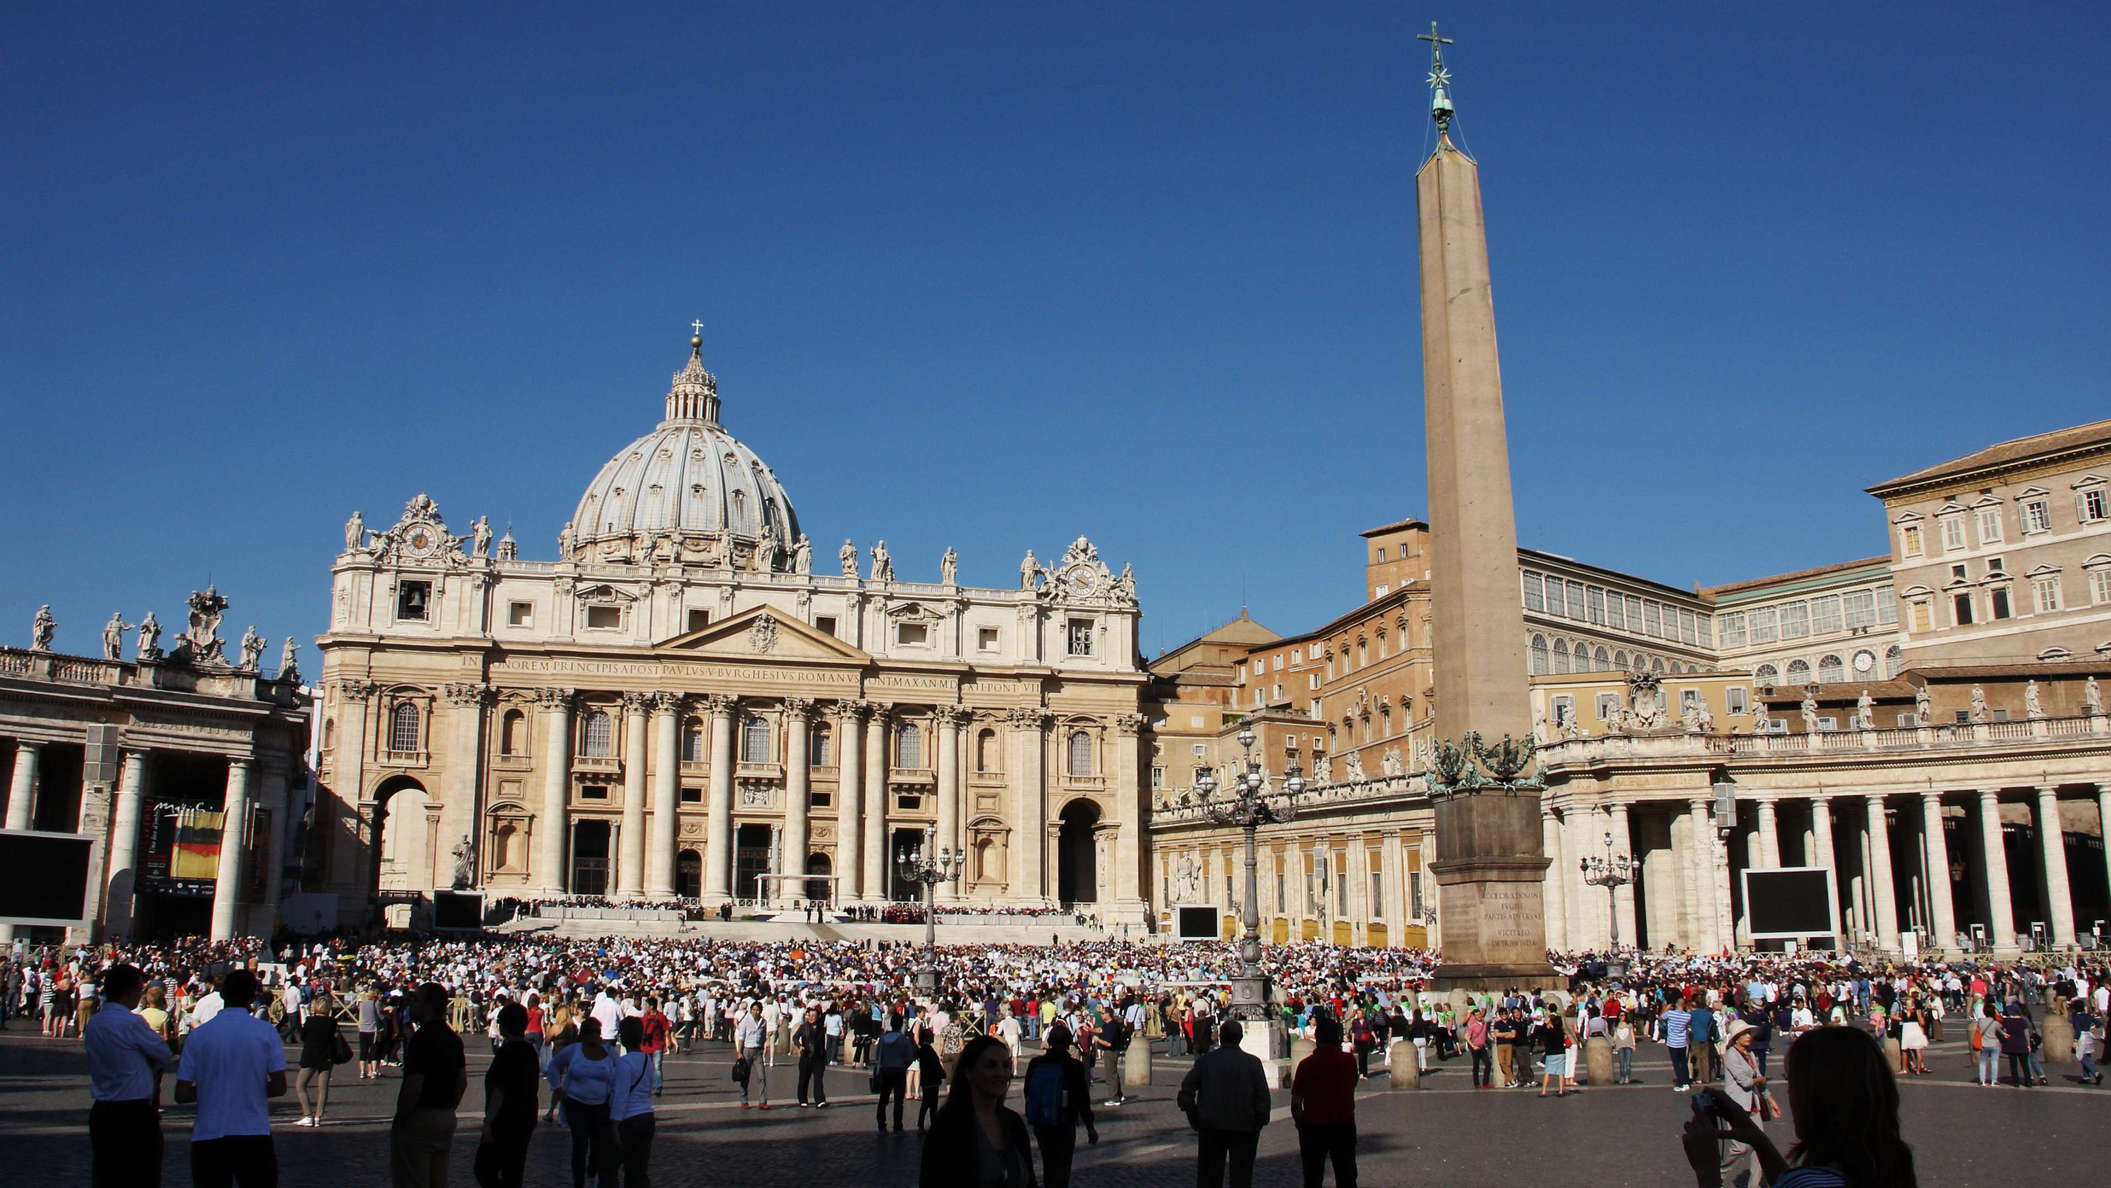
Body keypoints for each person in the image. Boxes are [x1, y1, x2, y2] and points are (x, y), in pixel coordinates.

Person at [1682, 1026, 1918, 1188]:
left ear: (1815, 1100)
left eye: (1793, 1083)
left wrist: (1708, 1177)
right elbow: (1790, 1182)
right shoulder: (1893, 1161)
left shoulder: (1814, 1181)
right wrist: (1760, 1142)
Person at [174, 969, 286, 1188]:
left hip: (208, 1134)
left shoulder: (198, 1036)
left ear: (222, 995)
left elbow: (182, 1093)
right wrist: (247, 1087)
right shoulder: (266, 1032)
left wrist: (212, 1088)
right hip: (253, 1133)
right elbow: (279, 1087)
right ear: (253, 997)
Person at [86, 963, 174, 1188]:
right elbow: (164, 1053)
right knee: (142, 1173)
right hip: (134, 1111)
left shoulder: (95, 1022)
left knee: (106, 1173)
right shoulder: (131, 1022)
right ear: (129, 991)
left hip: (103, 1108)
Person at [918, 1034, 1037, 1188]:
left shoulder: (1014, 1122)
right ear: (968, 1072)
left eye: (1005, 1065)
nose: (1001, 1073)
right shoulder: (946, 1127)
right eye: (991, 1065)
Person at [1177, 1020, 1271, 1188]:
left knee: (1209, 1177)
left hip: (1211, 1125)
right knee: (1241, 1177)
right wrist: (1259, 1121)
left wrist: (1194, 1116)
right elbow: (1263, 1097)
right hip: (1244, 1126)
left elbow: (1187, 1089)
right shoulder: (1252, 1063)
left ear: (1220, 1036)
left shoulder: (1207, 1061)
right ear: (1241, 1038)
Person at [393, 982, 466, 1188]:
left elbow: (415, 1083)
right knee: (438, 1180)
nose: (411, 1005)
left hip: (421, 1115)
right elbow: (462, 1081)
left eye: (415, 1000)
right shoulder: (453, 1038)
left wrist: (402, 1117)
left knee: (413, 1179)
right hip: (446, 1116)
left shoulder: (422, 1038)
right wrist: (449, 1108)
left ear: (428, 1005)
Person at [1022, 1023, 1098, 1188]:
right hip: (1065, 1120)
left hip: (1041, 1120)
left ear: (1049, 1041)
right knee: (1062, 1165)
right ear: (1069, 1043)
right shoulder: (1074, 1066)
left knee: (1048, 1161)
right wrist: (1090, 1126)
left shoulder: (1036, 1063)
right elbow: (1083, 1098)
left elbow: (1027, 1090)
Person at [547, 1016, 619, 1188]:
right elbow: (553, 1066)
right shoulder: (574, 1050)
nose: (596, 1035)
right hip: (576, 1104)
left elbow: (619, 1075)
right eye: (592, 1032)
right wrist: (557, 1088)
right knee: (579, 1145)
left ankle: (592, 1173)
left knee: (597, 1147)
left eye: (598, 1032)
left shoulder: (609, 1053)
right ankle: (578, 1182)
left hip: (601, 1106)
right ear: (585, 1034)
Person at [475, 1003, 539, 1188]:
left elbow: (499, 1091)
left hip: (505, 1119)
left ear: (503, 1026)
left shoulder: (507, 1052)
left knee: (484, 1168)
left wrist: (489, 1122)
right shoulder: (529, 1051)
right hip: (525, 1117)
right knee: (514, 1170)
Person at [1291, 1015, 1359, 1188]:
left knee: (1313, 1177)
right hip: (1343, 1123)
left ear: (1317, 1038)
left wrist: (1300, 1124)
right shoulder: (1349, 1061)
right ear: (1337, 1037)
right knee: (1346, 1177)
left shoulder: (1306, 1065)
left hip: (1313, 1125)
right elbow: (1353, 1084)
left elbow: (1296, 1102)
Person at [1718, 1018, 1768, 1188]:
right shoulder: (1731, 1055)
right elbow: (1745, 1081)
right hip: (1736, 1106)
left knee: (1760, 1146)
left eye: (1749, 1033)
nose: (1749, 1036)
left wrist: (1770, 1099)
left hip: (1753, 1105)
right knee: (1740, 1147)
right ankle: (1720, 1173)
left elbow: (1758, 1078)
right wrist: (1759, 1079)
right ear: (1736, 1037)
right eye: (1744, 1034)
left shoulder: (1751, 1053)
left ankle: (1754, 1185)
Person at [612, 1016, 657, 1188]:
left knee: (624, 1170)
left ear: (623, 1037)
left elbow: (620, 1097)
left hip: (629, 1120)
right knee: (640, 1170)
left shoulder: (623, 1064)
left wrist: (614, 1125)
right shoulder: (648, 1060)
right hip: (646, 1115)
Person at [294, 993, 342, 1126]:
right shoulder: (332, 1022)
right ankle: (318, 1116)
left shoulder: (310, 1021)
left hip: (310, 1055)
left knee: (300, 1085)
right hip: (327, 1056)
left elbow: (302, 1037)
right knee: (323, 1088)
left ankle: (307, 1114)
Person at [876, 1012, 916, 1132]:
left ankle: (881, 1125)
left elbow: (878, 1055)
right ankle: (897, 1125)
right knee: (898, 1101)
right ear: (900, 1025)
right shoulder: (904, 1040)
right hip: (899, 1070)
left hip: (885, 1070)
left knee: (883, 1099)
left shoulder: (883, 1039)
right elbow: (909, 1057)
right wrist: (904, 1066)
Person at [735, 1000, 771, 1108]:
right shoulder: (746, 1020)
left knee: (762, 1077)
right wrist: (739, 1052)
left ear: (760, 1011)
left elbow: (764, 1036)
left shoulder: (763, 1022)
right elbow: (741, 1037)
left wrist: (764, 1047)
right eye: (753, 1010)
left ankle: (762, 1101)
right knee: (745, 1076)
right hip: (747, 1050)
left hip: (758, 1051)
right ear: (750, 1010)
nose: (755, 1012)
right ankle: (744, 1100)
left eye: (757, 1010)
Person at [794, 1006, 830, 1107]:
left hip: (818, 1057)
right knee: (804, 1079)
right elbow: (795, 1037)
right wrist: (799, 1046)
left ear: (818, 1016)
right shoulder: (803, 1027)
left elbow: (824, 1043)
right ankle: (802, 1099)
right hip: (806, 1056)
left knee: (818, 1079)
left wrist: (825, 1056)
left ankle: (820, 1100)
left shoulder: (822, 1028)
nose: (811, 1017)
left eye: (814, 1016)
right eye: (809, 1015)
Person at [1968, 1001, 2003, 1087]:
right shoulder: (1995, 1022)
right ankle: (1994, 1080)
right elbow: (2001, 1027)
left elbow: (1979, 1031)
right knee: (1994, 1062)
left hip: (1984, 1044)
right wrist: (1997, 1013)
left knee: (1983, 1063)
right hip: (1994, 1044)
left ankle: (1982, 1080)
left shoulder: (1981, 1021)